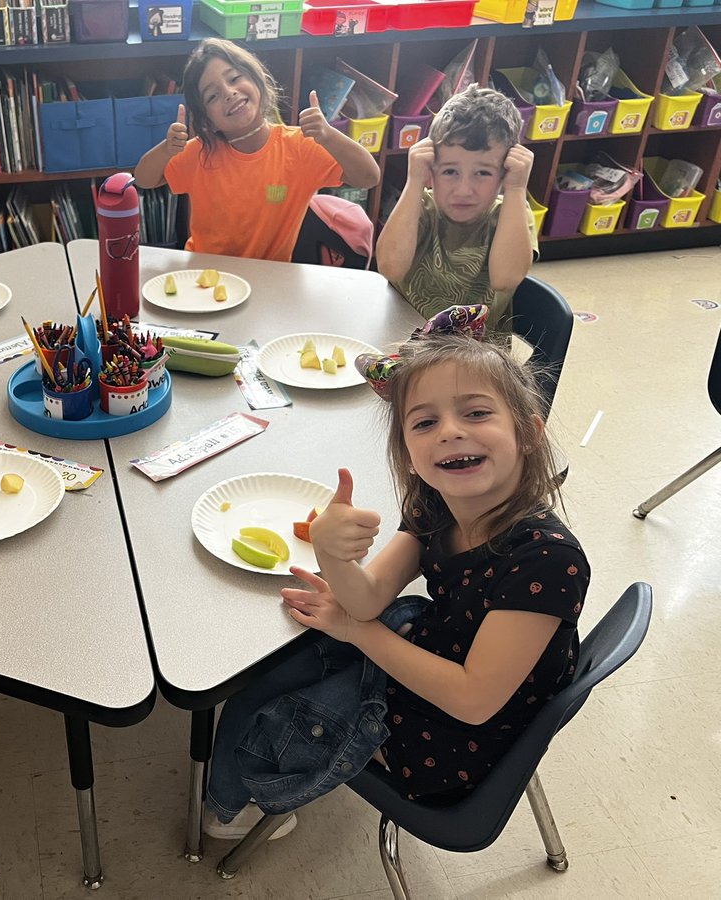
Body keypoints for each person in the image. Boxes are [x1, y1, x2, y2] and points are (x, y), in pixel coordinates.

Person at [203, 305, 588, 840]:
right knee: (269, 671)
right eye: (425, 422)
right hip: (435, 647)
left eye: (476, 414)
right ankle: (229, 798)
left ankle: (231, 812)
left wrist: (359, 632)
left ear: (528, 434)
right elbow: (366, 599)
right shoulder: (437, 501)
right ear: (408, 452)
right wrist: (335, 555)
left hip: (452, 742)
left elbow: (472, 701)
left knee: (265, 727)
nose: (450, 433)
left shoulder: (546, 559)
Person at [134, 38, 380, 263]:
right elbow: (144, 179)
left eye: (234, 78)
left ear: (258, 79)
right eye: (212, 96)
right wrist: (167, 149)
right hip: (207, 277)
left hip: (269, 279)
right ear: (207, 120)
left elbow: (368, 177)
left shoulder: (300, 148)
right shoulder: (201, 152)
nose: (229, 93)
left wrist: (329, 136)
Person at [376, 85, 538, 333]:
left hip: (475, 359)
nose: (464, 190)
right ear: (432, 169)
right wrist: (415, 179)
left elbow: (505, 278)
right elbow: (390, 267)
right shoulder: (421, 207)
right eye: (450, 171)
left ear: (504, 172)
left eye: (482, 173)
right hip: (404, 347)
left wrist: (516, 187)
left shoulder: (510, 216)